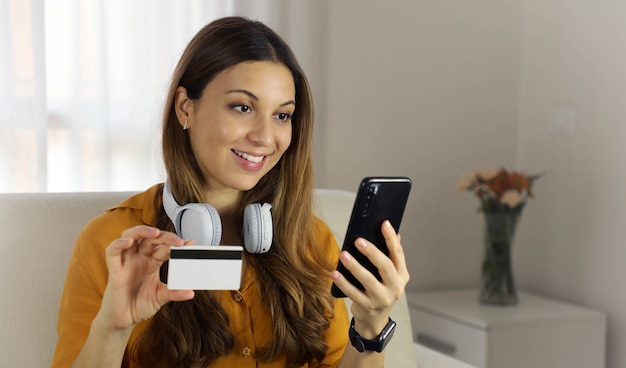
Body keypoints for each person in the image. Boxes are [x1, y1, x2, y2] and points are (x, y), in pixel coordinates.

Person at [51, 16, 410, 368]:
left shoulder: (311, 241)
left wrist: (369, 328)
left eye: (282, 116)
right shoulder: (113, 244)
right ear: (185, 107)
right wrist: (112, 328)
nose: (265, 138)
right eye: (243, 107)